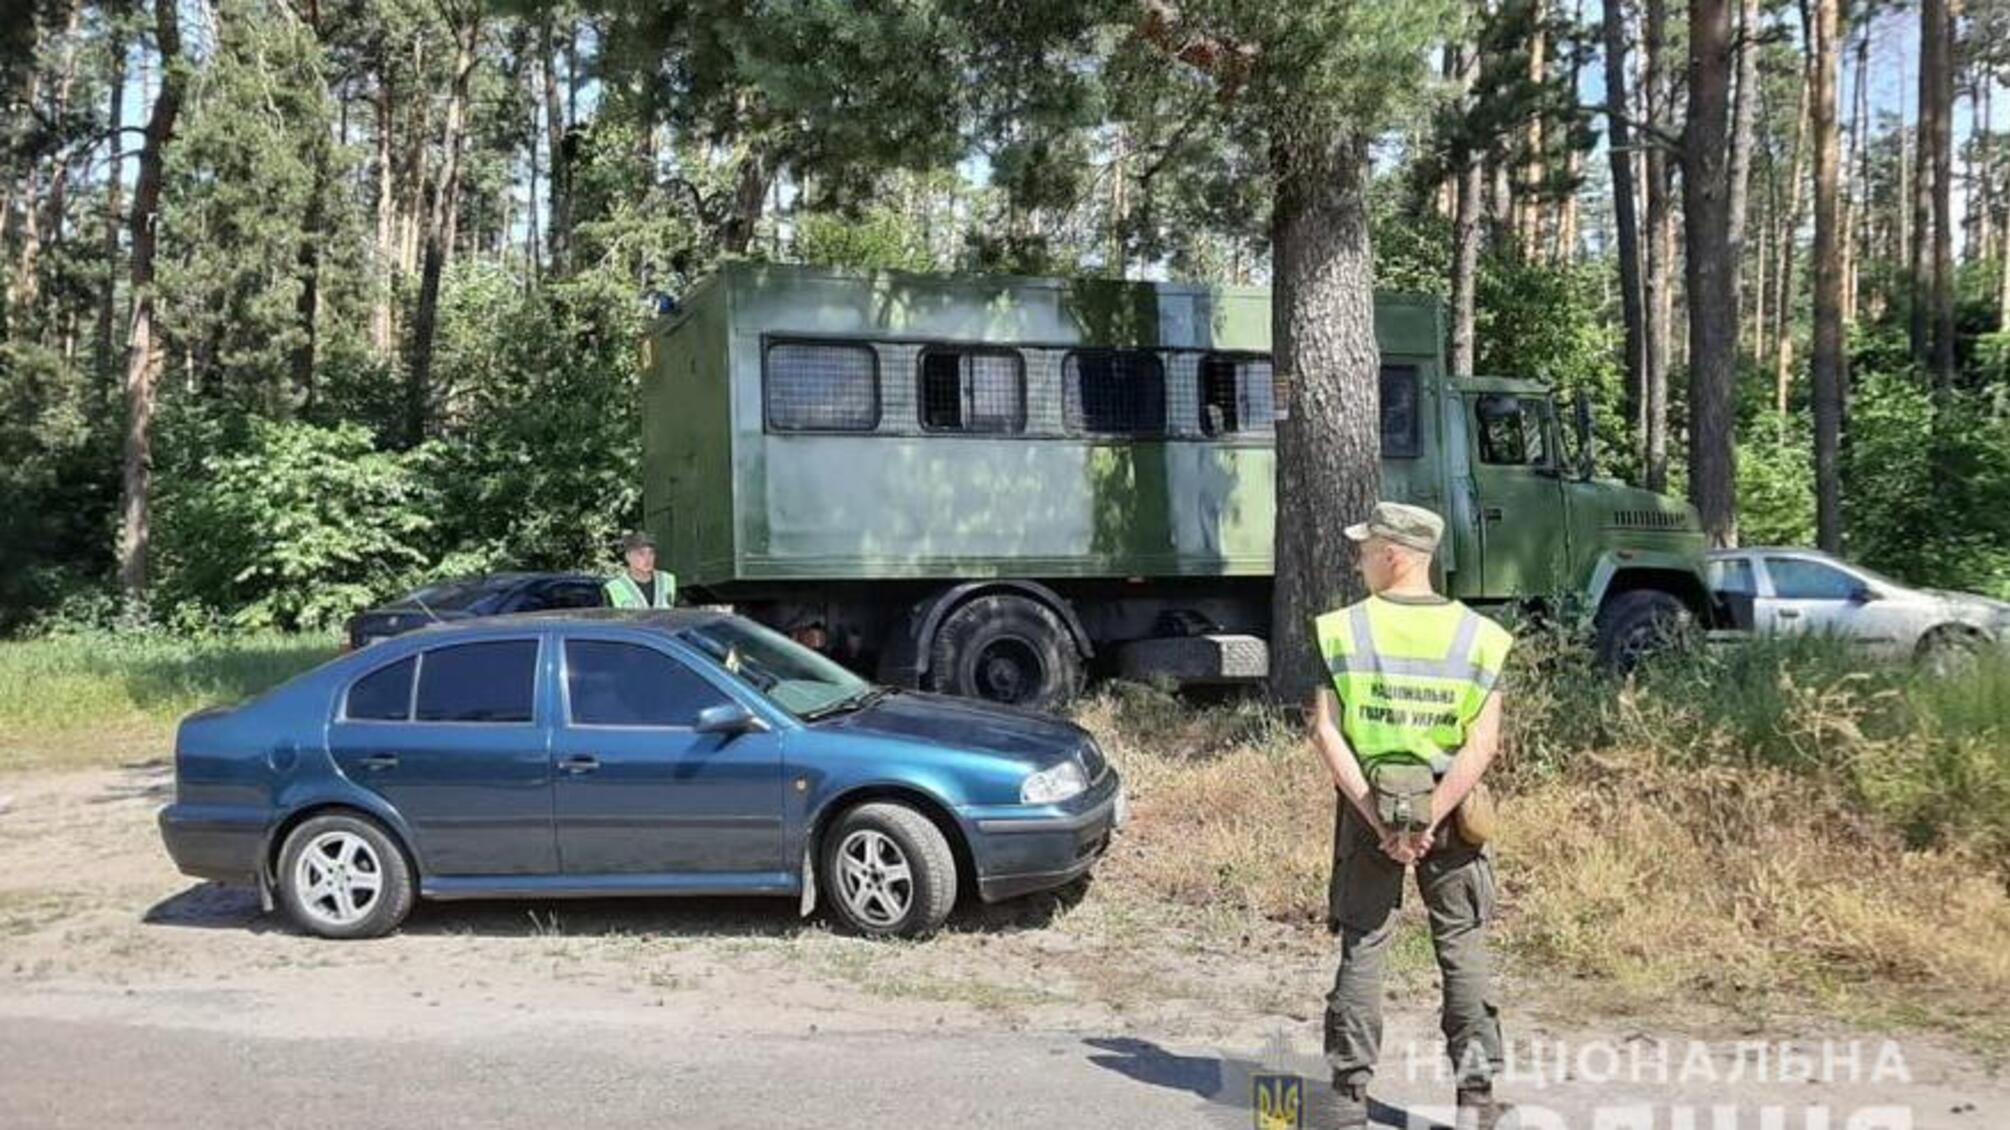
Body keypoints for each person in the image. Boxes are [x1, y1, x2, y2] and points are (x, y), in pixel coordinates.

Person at [1309, 501, 1514, 1130]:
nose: (1359, 558)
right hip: (1454, 811)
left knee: (1364, 943)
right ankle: (1476, 1101)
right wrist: (1430, 819)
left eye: (1365, 549)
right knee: (1461, 945)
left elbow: (1324, 732)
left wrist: (1379, 820)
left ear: (1394, 555)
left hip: (1367, 802)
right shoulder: (1482, 637)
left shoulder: (1340, 629)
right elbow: (1484, 745)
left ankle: (1347, 1099)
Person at [604, 531, 677, 609]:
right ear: (628, 557)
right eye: (641, 554)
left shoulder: (668, 580)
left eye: (651, 553)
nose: (647, 559)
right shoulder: (614, 588)